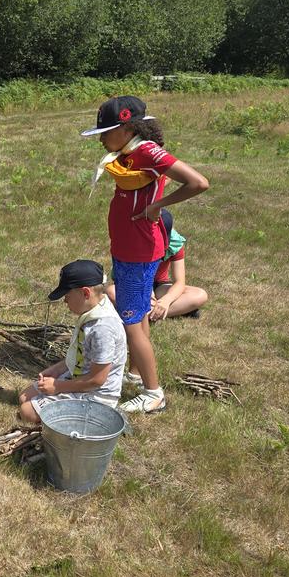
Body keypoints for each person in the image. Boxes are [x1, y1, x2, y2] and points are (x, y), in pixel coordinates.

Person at [82, 95, 209, 414]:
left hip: (139, 252)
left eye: (106, 132)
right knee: (135, 315)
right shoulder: (128, 152)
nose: (101, 139)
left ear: (127, 128)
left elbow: (198, 182)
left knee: (132, 322)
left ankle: (154, 394)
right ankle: (138, 375)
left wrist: (158, 206)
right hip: (126, 248)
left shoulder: (149, 152)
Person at [18, 260, 127, 423]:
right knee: (24, 397)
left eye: (67, 296)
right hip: (79, 377)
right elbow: (82, 354)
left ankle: (85, 421)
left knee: (27, 411)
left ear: (85, 293)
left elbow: (97, 379)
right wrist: (58, 369)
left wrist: (58, 387)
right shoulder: (92, 311)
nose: (65, 301)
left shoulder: (103, 328)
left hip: (95, 396)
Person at [106, 209, 208, 322]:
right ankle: (173, 310)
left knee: (200, 295)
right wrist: (148, 294)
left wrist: (166, 300)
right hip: (133, 284)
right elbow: (124, 277)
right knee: (111, 291)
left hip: (160, 286)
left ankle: (145, 313)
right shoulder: (133, 243)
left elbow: (180, 282)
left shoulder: (174, 243)